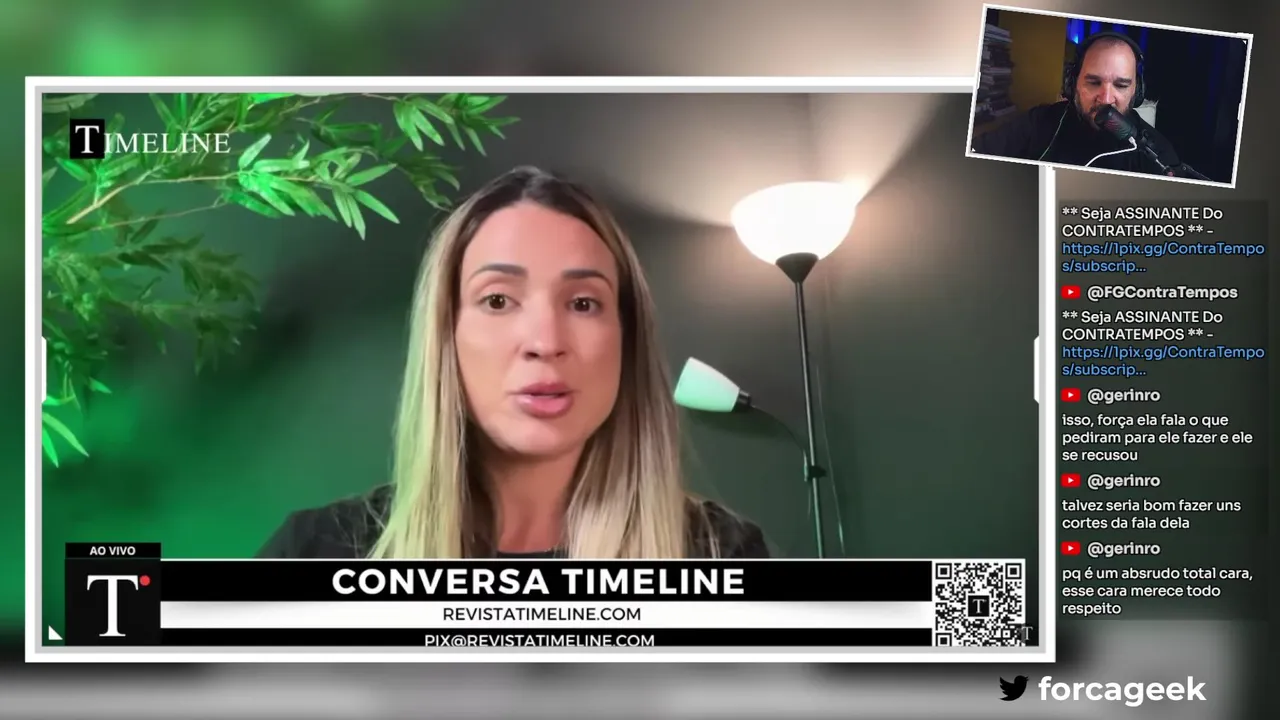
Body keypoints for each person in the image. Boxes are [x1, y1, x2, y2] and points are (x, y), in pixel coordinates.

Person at [257, 166, 769, 560]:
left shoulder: (722, 554)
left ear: (626, 338)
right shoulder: (314, 554)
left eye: (583, 303)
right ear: (446, 336)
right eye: (498, 300)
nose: (545, 342)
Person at [972, 31, 1182, 176]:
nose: (1106, 99)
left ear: (1137, 91)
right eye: (1094, 82)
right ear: (1072, 84)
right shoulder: (1038, 122)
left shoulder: (1158, 155)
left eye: (1121, 85)